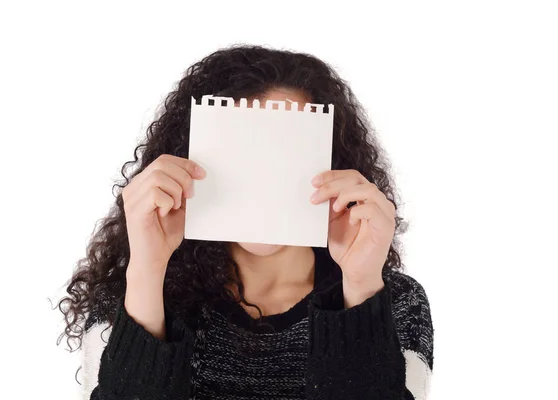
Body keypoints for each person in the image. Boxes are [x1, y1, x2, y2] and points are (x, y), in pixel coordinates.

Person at [58, 45, 434, 400]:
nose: (263, 179)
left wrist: (362, 286)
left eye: (287, 152)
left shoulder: (397, 302)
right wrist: (146, 270)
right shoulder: (127, 296)